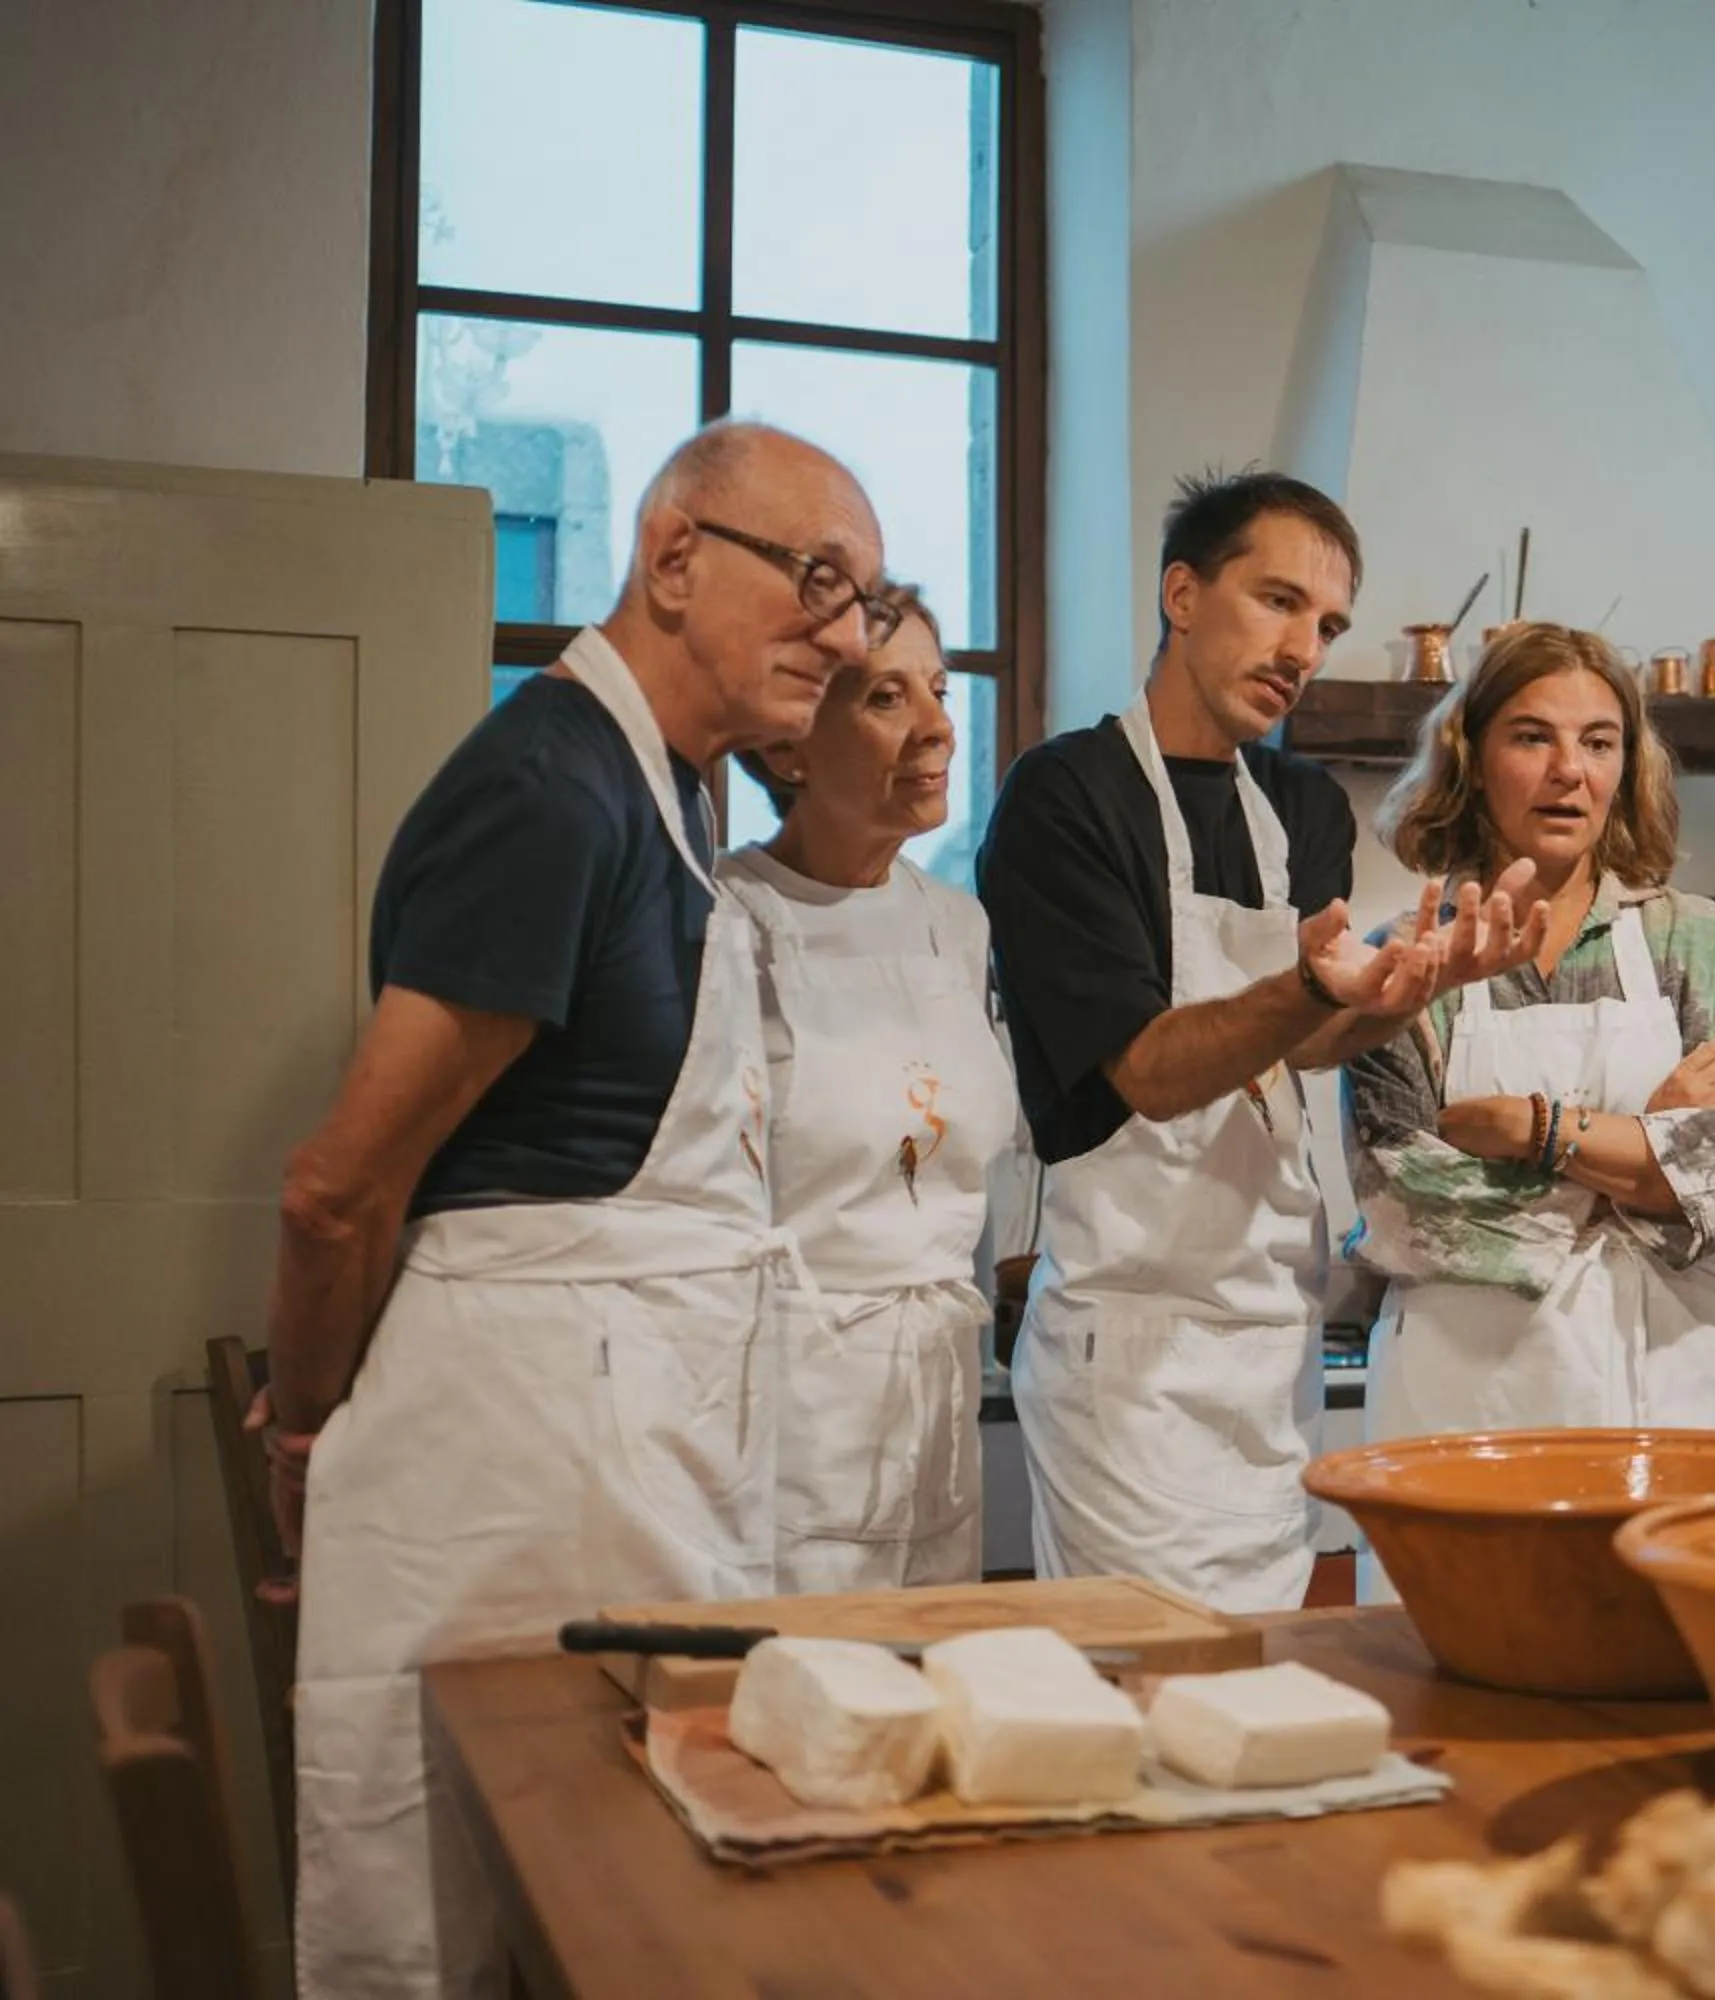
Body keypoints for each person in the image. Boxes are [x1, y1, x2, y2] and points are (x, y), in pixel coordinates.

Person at [266, 421, 886, 1997]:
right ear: (673, 557)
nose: (844, 632)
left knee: (626, 1897)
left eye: (866, 603)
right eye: (818, 580)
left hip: (613, 1435)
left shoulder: (662, 790)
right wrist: (303, 1431)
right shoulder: (550, 787)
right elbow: (343, 1187)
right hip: (523, 1452)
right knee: (483, 1909)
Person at [979, 471, 1545, 1613]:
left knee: (1271, 1684)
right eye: (1277, 600)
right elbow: (1151, 1068)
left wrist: (1411, 989)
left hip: (1267, 1334)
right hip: (1129, 1353)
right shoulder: (1066, 799)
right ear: (1182, 593)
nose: (1303, 647)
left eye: (1327, 625)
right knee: (1154, 1691)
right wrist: (1309, 984)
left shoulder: (1302, 806)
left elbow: (1314, 1042)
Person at [1344, 623, 1715, 1455]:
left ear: (1626, 768)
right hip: (1465, 1406)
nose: (1568, 771)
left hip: (1673, 1396)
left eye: (1598, 742)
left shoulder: (1696, 943)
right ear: (1473, 760)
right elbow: (1406, 1208)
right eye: (1530, 737)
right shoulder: (1407, 960)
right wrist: (1652, 1144)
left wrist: (1537, 1131)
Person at [723, 589, 1015, 1593]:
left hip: (938, 1413)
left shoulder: (957, 923)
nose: (937, 724)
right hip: (784, 1416)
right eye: (888, 697)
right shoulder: (729, 920)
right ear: (788, 747)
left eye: (938, 688)